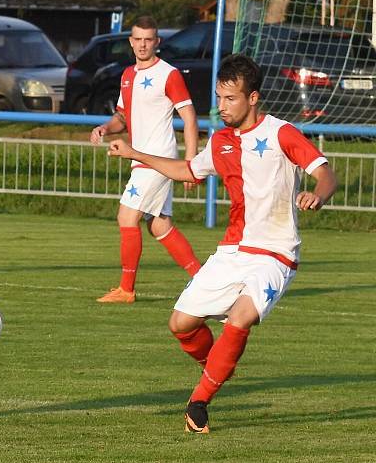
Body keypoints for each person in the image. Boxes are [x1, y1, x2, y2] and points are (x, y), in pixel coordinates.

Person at [105, 54, 337, 433]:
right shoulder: (221, 142)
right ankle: (216, 366)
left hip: (276, 254)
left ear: (253, 98)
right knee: (180, 324)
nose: (222, 106)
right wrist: (133, 153)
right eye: (219, 97)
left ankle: (199, 402)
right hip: (233, 250)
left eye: (231, 99)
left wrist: (318, 195)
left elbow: (325, 173)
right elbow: (185, 171)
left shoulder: (281, 133)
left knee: (242, 316)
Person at [90, 15, 201, 304]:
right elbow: (122, 117)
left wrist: (190, 163)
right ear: (131, 41)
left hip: (158, 159)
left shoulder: (169, 74)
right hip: (139, 159)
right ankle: (203, 281)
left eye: (148, 39)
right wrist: (105, 128)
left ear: (157, 42)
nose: (142, 44)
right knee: (159, 226)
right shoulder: (128, 75)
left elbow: (189, 117)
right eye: (137, 39)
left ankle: (126, 289)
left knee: (126, 216)